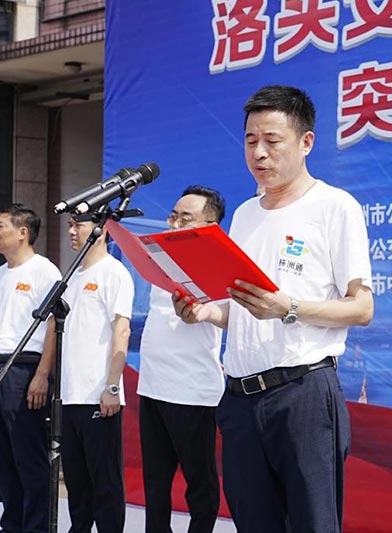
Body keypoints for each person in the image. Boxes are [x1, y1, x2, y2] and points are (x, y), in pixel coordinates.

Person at [174, 85, 374, 532]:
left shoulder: (334, 207)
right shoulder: (245, 214)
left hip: (301, 393)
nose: (259, 153)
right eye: (250, 140)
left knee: (312, 524)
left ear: (306, 142)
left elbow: (362, 308)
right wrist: (206, 313)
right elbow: (246, 307)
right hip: (240, 400)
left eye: (272, 140)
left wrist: (290, 308)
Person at [139, 185, 226, 533]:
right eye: (173, 216)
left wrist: (202, 313)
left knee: (200, 484)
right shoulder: (160, 259)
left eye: (185, 218)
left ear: (209, 226)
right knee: (155, 484)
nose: (174, 224)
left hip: (192, 392)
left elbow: (228, 316)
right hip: (152, 386)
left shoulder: (218, 263)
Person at [0, 203, 61, 533]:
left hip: (24, 370)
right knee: (3, 458)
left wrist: (42, 375)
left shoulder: (45, 271)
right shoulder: (1, 273)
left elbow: (54, 326)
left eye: (0, 226)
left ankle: (36, 527)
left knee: (28, 456)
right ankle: (12, 525)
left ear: (23, 233)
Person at [59, 215, 134, 533]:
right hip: (69, 394)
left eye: (79, 225)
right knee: (76, 482)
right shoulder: (73, 275)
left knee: (105, 482)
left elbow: (122, 329)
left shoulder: (114, 273)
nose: (72, 231)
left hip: (98, 395)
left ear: (101, 230)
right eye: (70, 225)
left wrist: (112, 387)